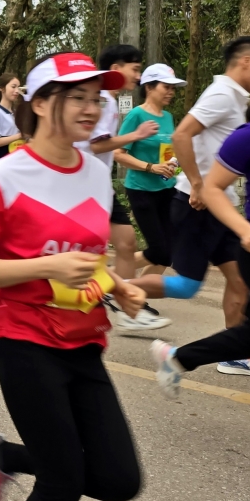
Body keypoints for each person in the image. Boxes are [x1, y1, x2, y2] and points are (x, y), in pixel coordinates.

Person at [0, 52, 145, 501]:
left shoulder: (97, 176)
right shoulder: (5, 176)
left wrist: (119, 286)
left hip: (83, 341)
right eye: (76, 96)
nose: (91, 108)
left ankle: (5, 455)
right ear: (38, 103)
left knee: (119, 479)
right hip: (22, 339)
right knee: (62, 480)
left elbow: (86, 259)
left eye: (96, 98)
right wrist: (44, 268)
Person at [132, 37, 250, 378]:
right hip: (198, 203)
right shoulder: (222, 94)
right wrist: (199, 184)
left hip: (220, 205)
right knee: (186, 285)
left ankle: (231, 354)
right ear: (245, 61)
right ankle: (113, 287)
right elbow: (182, 135)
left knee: (242, 282)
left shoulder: (237, 99)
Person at [72, 44, 169, 331]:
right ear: (116, 69)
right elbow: (96, 143)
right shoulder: (101, 99)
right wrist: (135, 135)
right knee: (87, 247)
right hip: (82, 181)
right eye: (135, 69)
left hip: (99, 182)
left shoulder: (110, 100)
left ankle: (124, 307)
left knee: (126, 243)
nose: (138, 77)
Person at [114, 64, 185, 277]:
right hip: (141, 190)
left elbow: (167, 152)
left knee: (168, 252)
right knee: (158, 250)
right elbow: (118, 153)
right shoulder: (136, 115)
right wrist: (150, 167)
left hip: (167, 189)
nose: (171, 92)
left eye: (174, 88)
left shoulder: (168, 117)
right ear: (149, 88)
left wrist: (174, 164)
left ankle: (136, 293)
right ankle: (111, 277)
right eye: (167, 87)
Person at [0, 73, 24, 163]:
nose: (17, 91)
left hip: (16, 161)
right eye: (13, 87)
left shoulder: (17, 113)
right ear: (1, 88)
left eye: (18, 87)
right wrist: (20, 136)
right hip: (0, 162)